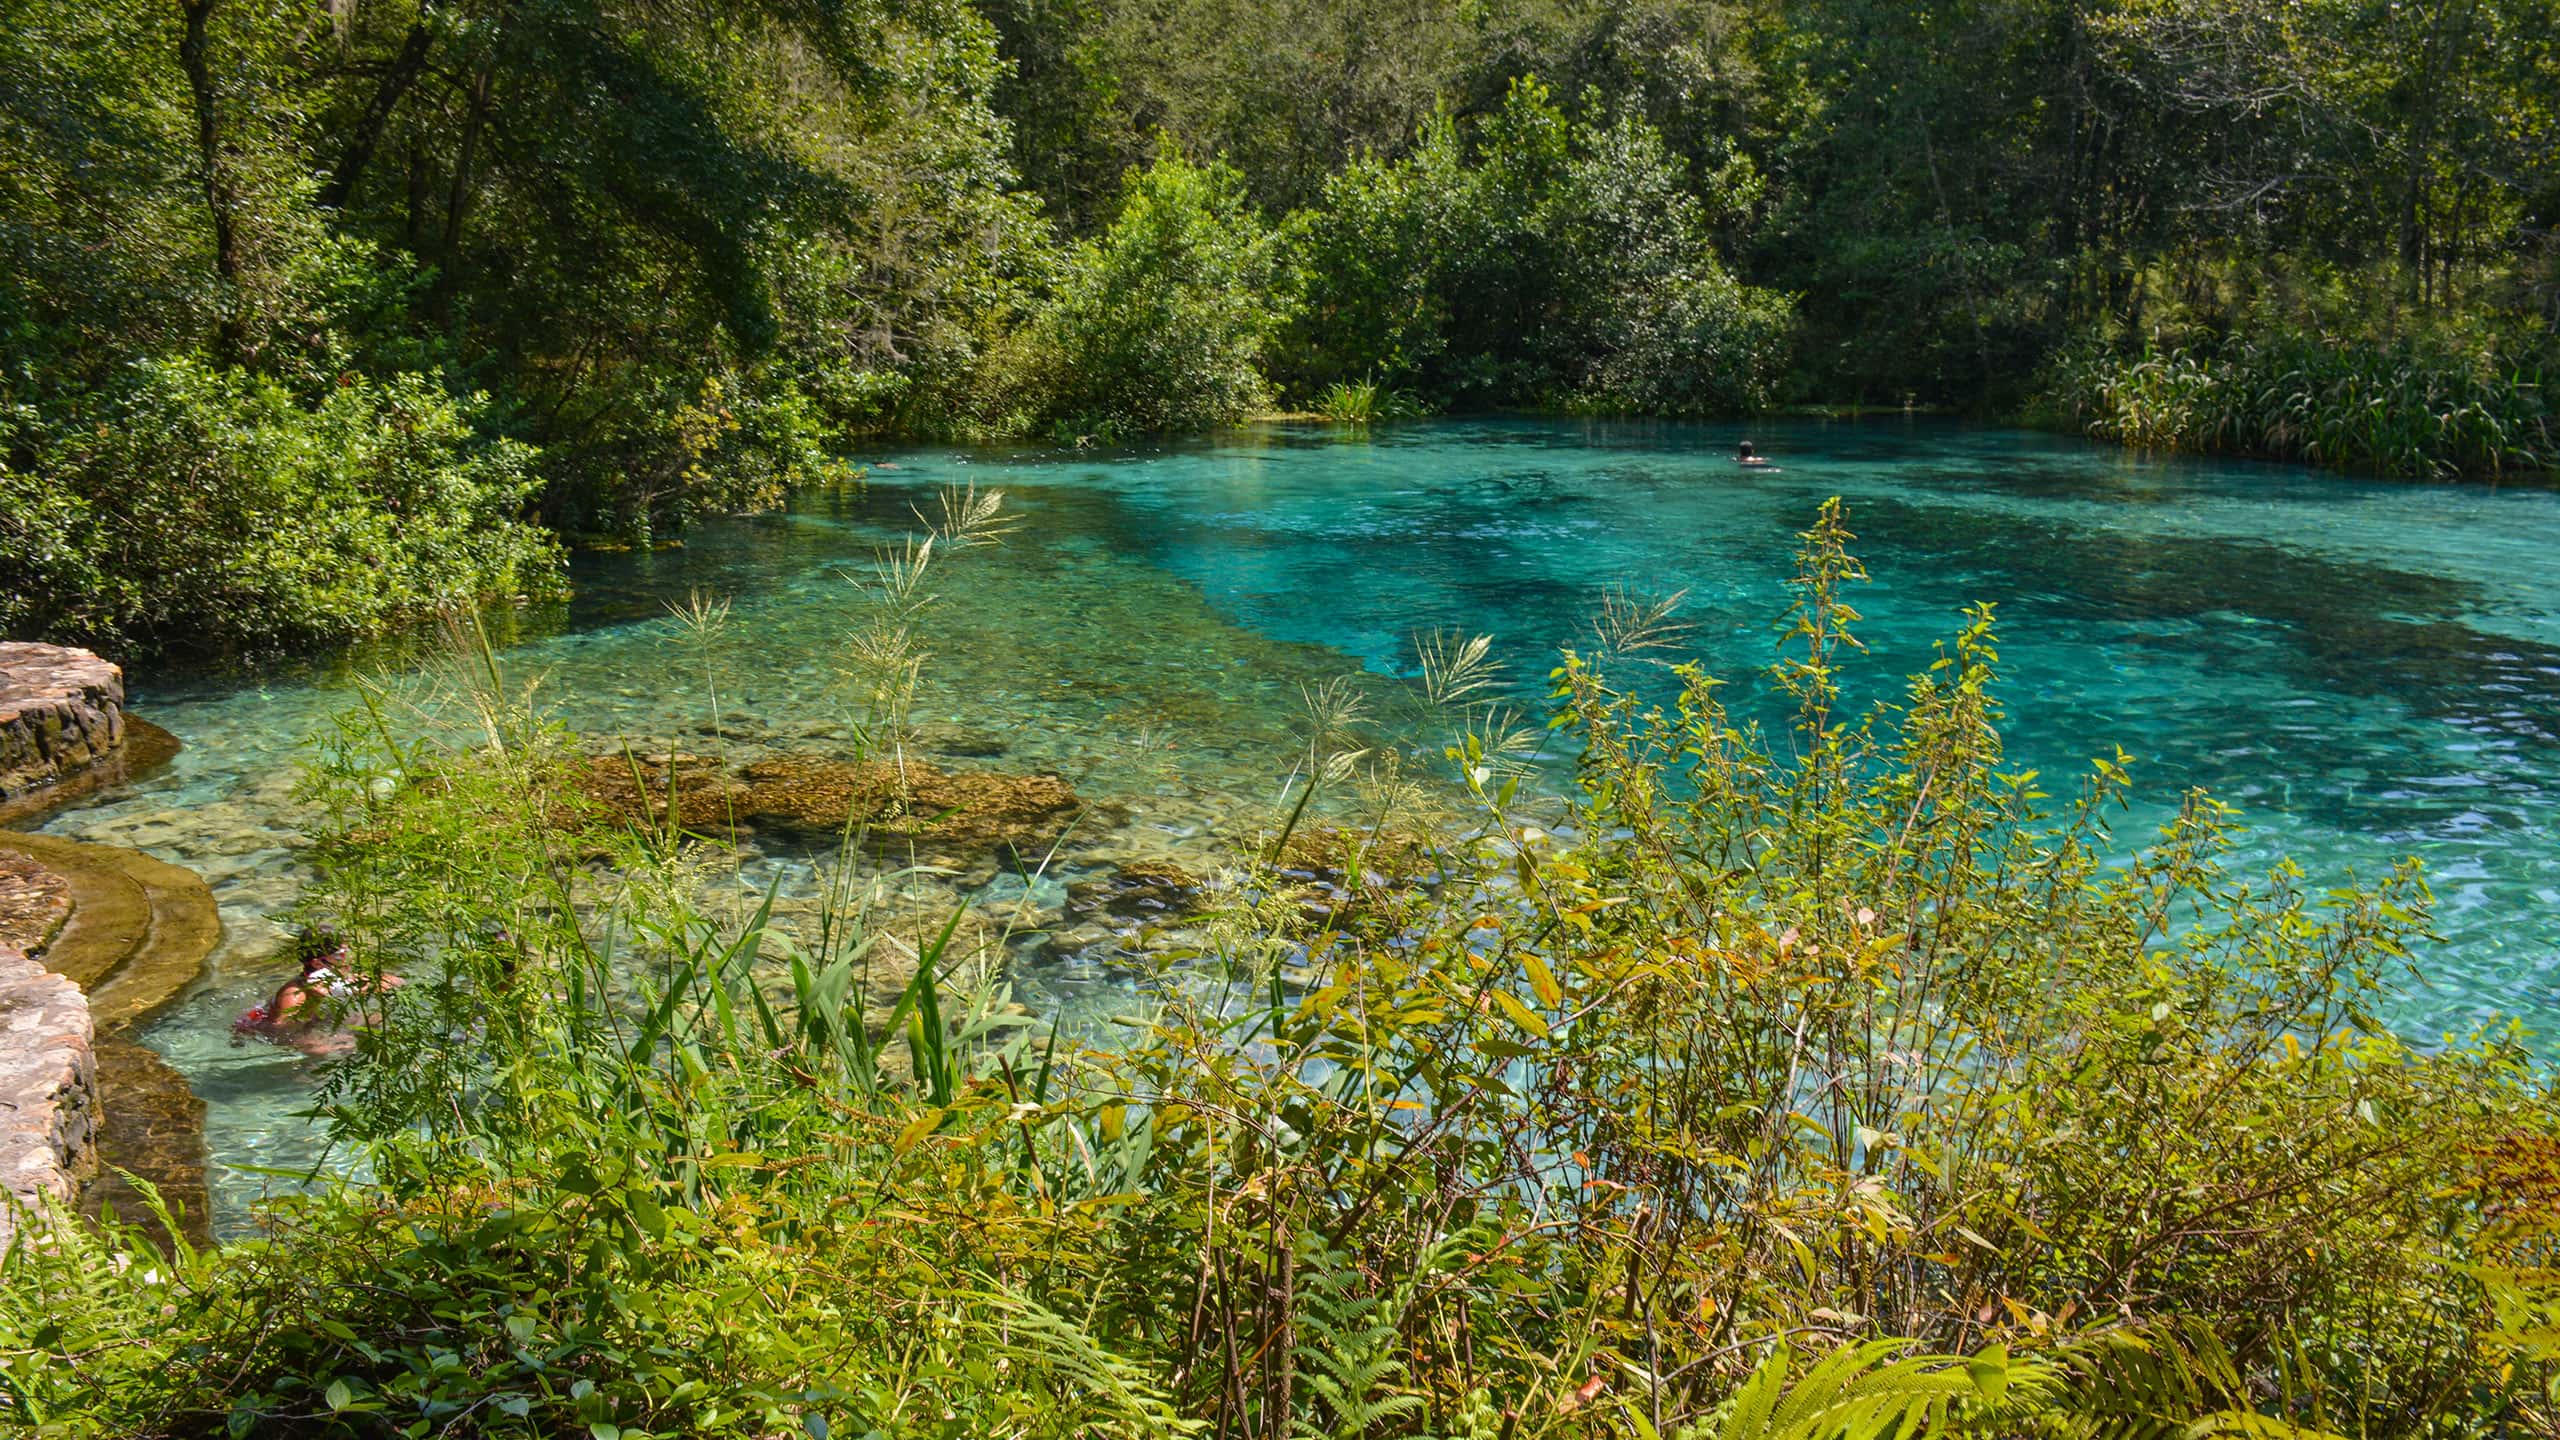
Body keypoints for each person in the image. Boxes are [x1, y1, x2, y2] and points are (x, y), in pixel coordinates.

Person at [233, 924, 400, 1052]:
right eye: (340, 956)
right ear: (317, 962)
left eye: (345, 952)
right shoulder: (295, 995)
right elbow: (280, 1032)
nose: (346, 960)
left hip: (318, 1021)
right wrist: (314, 1001)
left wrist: (376, 984)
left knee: (378, 1019)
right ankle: (308, 1081)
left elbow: (390, 981)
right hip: (284, 1033)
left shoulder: (333, 978)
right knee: (324, 1048)